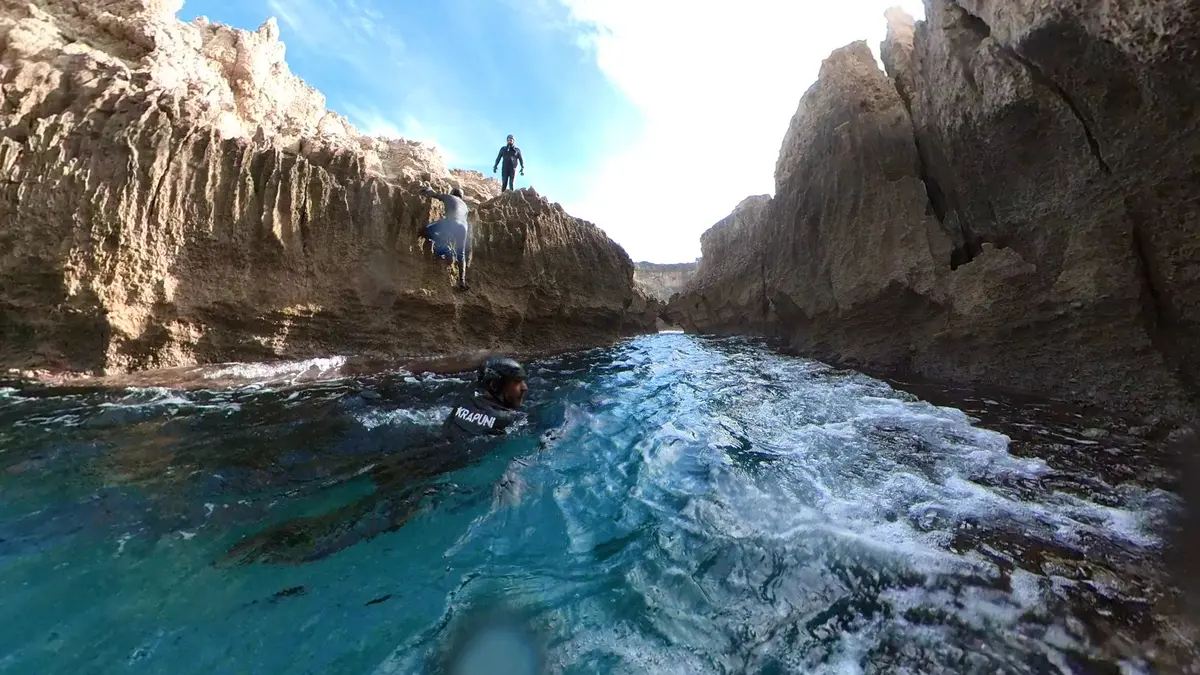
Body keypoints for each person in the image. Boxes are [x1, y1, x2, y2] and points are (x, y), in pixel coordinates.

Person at [442, 356, 529, 439]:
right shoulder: (509, 420)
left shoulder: (462, 402)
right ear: (494, 385)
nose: (525, 387)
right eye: (517, 382)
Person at [420, 185, 471, 290]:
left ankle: (445, 249)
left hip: (452, 221)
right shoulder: (465, 206)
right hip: (464, 228)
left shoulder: (449, 197)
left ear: (452, 193)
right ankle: (462, 282)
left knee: (426, 230)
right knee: (461, 254)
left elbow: (434, 194)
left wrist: (427, 189)